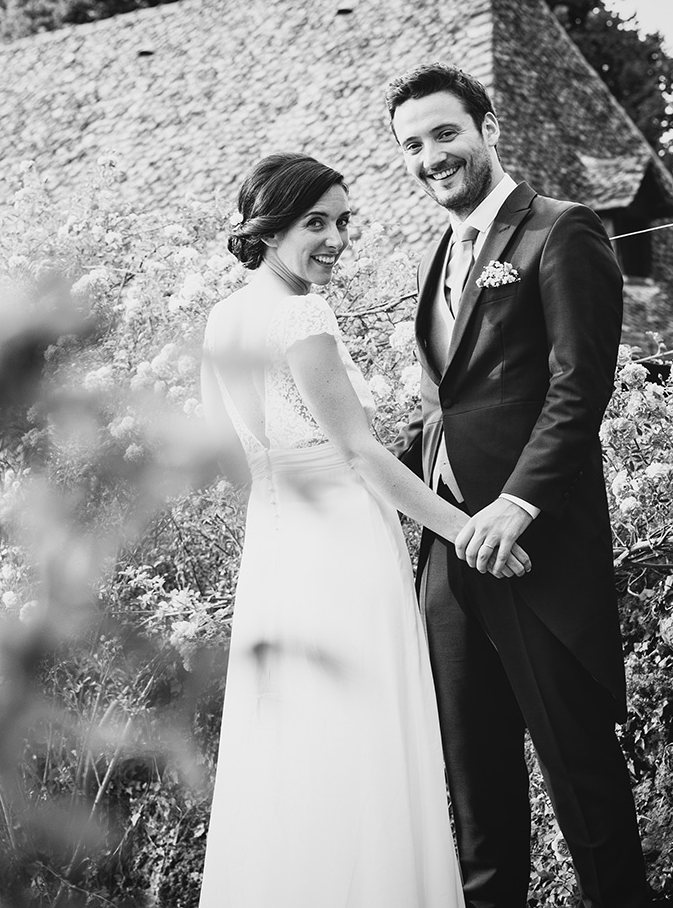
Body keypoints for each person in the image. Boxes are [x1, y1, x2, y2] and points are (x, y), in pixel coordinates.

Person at [198, 152, 529, 908]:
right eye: (315, 222)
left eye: (344, 221)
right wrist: (467, 528)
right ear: (269, 226)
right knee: (366, 740)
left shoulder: (222, 318)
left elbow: (225, 455)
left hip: (279, 547)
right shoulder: (300, 313)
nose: (336, 238)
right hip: (345, 547)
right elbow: (357, 448)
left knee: (298, 748)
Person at [386, 62, 651, 908]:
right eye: (413, 144)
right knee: (476, 798)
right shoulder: (439, 254)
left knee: (585, 790)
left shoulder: (561, 231)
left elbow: (580, 385)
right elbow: (449, 404)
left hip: (535, 550)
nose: (431, 155)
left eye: (445, 132)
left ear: (489, 126)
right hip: (449, 557)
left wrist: (518, 502)